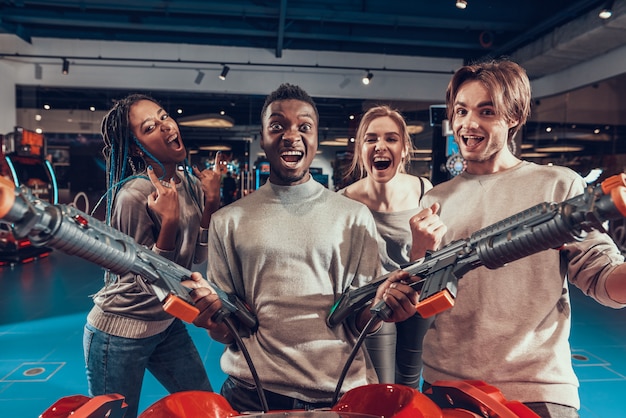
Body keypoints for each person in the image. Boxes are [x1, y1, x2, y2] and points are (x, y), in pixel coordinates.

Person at [409, 59, 626, 418]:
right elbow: (419, 298)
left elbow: (602, 277)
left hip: (535, 389)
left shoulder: (557, 185)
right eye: (460, 111)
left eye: (487, 111)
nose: (468, 123)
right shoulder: (436, 199)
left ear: (513, 117)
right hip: (445, 386)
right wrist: (418, 251)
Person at [183, 83, 419, 413]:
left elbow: (361, 318)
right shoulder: (227, 221)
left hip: (339, 394)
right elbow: (228, 331)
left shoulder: (353, 216)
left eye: (304, 126)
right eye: (277, 126)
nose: (291, 135)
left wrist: (387, 309)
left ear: (316, 139)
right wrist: (212, 319)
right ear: (262, 138)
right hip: (253, 394)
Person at [82, 93, 221, 418]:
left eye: (163, 116)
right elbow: (145, 281)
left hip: (165, 324)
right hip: (119, 332)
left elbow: (197, 257)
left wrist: (211, 204)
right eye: (150, 127)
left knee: (205, 408)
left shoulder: (188, 183)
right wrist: (168, 224)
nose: (166, 126)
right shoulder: (133, 196)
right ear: (134, 147)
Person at [339, 105, 433, 388]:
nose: (380, 146)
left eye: (391, 139)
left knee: (408, 383)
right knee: (380, 387)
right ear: (361, 149)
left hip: (416, 295)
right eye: (371, 139)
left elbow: (434, 254)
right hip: (372, 303)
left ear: (404, 149)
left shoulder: (423, 189)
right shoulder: (343, 202)